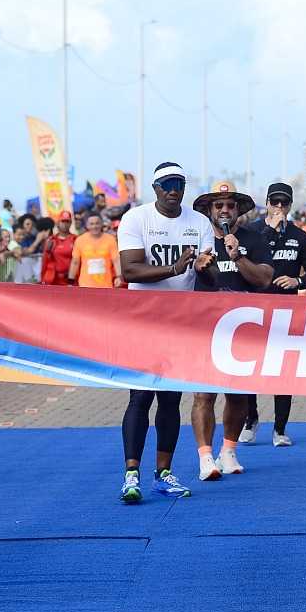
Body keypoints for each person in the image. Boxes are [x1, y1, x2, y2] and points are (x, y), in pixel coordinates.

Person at [115, 162, 213, 503]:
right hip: (143, 321)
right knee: (141, 396)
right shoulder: (136, 219)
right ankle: (131, 474)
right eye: (167, 184)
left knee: (171, 399)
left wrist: (205, 267)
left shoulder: (199, 223)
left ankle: (163, 472)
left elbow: (208, 279)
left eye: (180, 184)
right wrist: (174, 267)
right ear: (155, 188)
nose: (174, 190)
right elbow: (130, 269)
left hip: (180, 323)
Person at [189, 181, 273, 478]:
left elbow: (264, 279)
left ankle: (228, 451)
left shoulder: (254, 237)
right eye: (219, 205)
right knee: (204, 395)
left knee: (238, 396)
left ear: (238, 210)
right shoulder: (197, 238)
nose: (225, 210)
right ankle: (205, 457)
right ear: (209, 210)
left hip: (242, 331)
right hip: (204, 329)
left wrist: (237, 256)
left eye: (230, 205)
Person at [240, 182, 306, 447]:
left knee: (282, 370)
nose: (279, 207)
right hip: (253, 311)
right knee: (249, 367)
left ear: (290, 205)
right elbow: (240, 264)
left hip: (286, 313)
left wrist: (298, 282)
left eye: (283, 203)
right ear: (266, 203)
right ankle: (250, 418)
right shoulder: (251, 232)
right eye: (274, 202)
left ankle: (280, 428)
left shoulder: (299, 236)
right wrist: (268, 231)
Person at [68, 214, 122, 288]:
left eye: (97, 223)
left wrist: (119, 277)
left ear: (101, 224)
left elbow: (116, 260)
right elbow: (75, 262)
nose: (94, 226)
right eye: (91, 224)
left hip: (105, 285)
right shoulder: (80, 240)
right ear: (87, 225)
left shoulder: (110, 239)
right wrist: (70, 281)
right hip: (85, 285)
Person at [40, 211, 76, 286]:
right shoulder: (51, 240)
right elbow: (45, 261)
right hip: (54, 279)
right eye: (63, 221)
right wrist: (43, 278)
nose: (65, 224)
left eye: (67, 222)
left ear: (70, 223)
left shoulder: (75, 239)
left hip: (71, 279)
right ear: (58, 223)